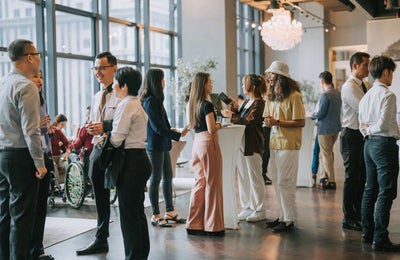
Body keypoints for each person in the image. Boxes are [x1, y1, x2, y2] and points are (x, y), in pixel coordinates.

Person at [0, 39, 47, 260]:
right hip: (21, 156)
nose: (39, 59)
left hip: (2, 154)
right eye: (37, 54)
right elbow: (31, 130)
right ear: (29, 57)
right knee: (22, 217)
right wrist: (40, 163)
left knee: (4, 214)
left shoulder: (2, 83)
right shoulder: (26, 85)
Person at [102, 67, 152, 259]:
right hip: (141, 160)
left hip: (130, 163)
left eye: (115, 82)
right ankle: (140, 254)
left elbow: (116, 139)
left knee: (129, 216)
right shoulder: (137, 103)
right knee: (137, 213)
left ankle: (132, 256)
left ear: (123, 86)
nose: (113, 85)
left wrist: (105, 138)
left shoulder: (125, 105)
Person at [76, 51, 120, 255]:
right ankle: (101, 239)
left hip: (117, 151)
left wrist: (104, 126)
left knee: (126, 200)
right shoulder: (96, 96)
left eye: (102, 67)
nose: (97, 72)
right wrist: (91, 127)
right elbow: (96, 123)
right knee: (100, 198)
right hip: (97, 150)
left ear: (114, 68)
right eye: (95, 68)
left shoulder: (122, 95)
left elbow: (122, 124)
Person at [359, 55, 400, 251]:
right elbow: (383, 125)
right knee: (386, 192)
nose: (393, 77)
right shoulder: (388, 95)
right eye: (392, 72)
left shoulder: (365, 96)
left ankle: (367, 233)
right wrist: (374, 130)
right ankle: (380, 238)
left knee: (371, 189)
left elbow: (362, 125)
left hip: (368, 146)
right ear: (386, 72)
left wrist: (368, 131)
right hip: (384, 146)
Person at [140, 69, 190, 227]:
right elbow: (156, 128)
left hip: (162, 144)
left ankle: (170, 211)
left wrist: (173, 131)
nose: (164, 82)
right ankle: (155, 214)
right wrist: (177, 134)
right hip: (154, 145)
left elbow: (162, 125)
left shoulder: (156, 100)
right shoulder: (149, 101)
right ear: (156, 81)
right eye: (162, 79)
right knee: (155, 180)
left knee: (168, 177)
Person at [263, 61, 305, 232]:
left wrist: (277, 122)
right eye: (269, 74)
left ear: (281, 77)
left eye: (272, 74)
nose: (269, 78)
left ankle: (288, 220)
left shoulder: (295, 96)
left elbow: (300, 122)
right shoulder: (271, 97)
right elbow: (267, 117)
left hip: (288, 144)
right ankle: (282, 216)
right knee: (278, 182)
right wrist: (266, 120)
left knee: (286, 182)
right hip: (274, 143)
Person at [222, 74, 267, 222]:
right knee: (243, 177)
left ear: (252, 87)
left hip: (252, 144)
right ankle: (247, 207)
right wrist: (235, 109)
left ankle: (259, 209)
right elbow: (241, 118)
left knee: (255, 177)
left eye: (244, 84)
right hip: (241, 144)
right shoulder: (247, 102)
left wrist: (231, 115)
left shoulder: (259, 103)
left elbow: (249, 122)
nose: (242, 86)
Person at [186, 72, 224, 236]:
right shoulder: (207, 105)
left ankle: (193, 223)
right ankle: (213, 226)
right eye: (210, 82)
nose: (212, 85)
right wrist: (220, 125)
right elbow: (212, 128)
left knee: (200, 182)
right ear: (204, 85)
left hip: (197, 143)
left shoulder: (193, 104)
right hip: (209, 143)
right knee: (213, 184)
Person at [340, 52, 370, 231]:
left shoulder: (366, 84)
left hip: (362, 135)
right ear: (355, 66)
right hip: (351, 135)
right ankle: (348, 217)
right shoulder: (349, 86)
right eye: (365, 65)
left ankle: (358, 213)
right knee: (351, 177)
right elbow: (364, 109)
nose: (368, 68)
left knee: (362, 177)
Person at [29, 70, 55, 260]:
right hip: (31, 158)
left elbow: (42, 132)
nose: (40, 81)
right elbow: (27, 130)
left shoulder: (41, 100)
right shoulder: (26, 100)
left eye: (41, 77)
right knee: (31, 207)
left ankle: (38, 249)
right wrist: (39, 127)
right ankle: (31, 250)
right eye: (35, 77)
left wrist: (48, 130)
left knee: (40, 207)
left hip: (44, 155)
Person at [311, 71, 342, 190]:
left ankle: (332, 181)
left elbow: (321, 113)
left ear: (322, 81)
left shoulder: (325, 95)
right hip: (335, 129)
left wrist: (311, 115)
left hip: (325, 129)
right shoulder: (337, 93)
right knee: (325, 154)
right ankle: (323, 179)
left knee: (326, 155)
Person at [50, 114, 71, 181]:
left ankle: (69, 186)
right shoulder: (42, 133)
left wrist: (68, 152)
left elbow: (67, 143)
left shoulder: (58, 131)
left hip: (59, 156)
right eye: (62, 124)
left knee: (68, 165)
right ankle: (58, 187)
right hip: (50, 157)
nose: (63, 126)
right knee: (54, 168)